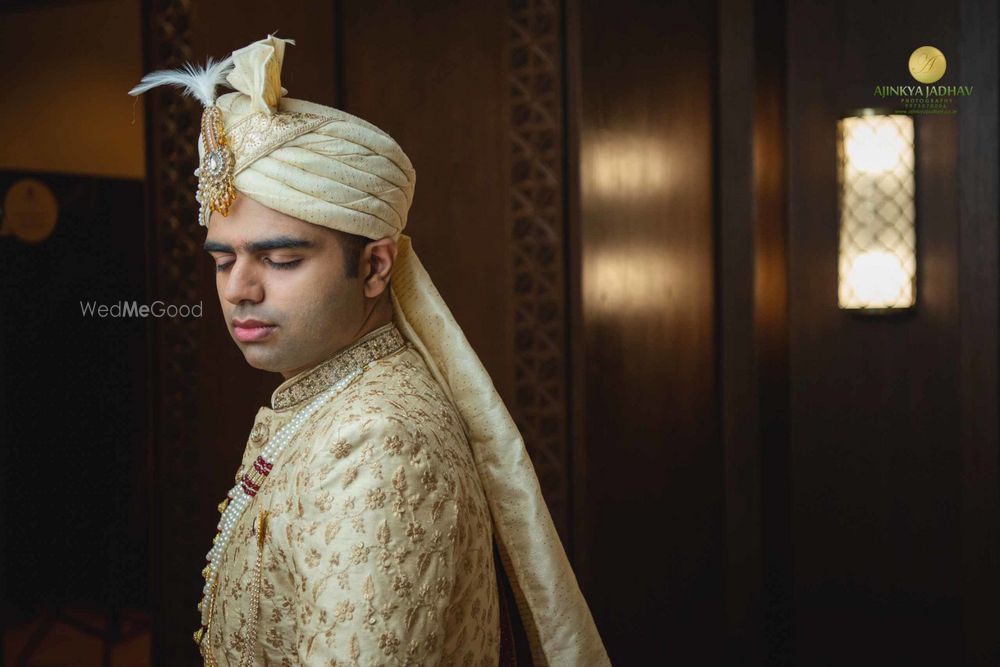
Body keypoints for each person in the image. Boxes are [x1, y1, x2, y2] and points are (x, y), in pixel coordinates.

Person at [130, 34, 609, 666]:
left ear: (376, 266)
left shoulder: (378, 442)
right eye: (223, 262)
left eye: (279, 259)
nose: (240, 290)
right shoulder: (322, 395)